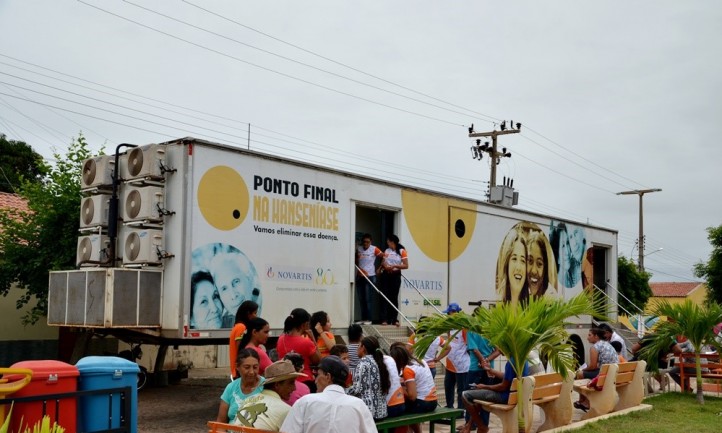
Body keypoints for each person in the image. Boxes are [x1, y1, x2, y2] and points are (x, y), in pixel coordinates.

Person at [280, 356, 378, 433]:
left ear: (328, 376)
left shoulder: (305, 402)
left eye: (318, 375)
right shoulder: (359, 405)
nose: (315, 380)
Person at [460, 358, 529, 433]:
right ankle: (469, 426)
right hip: (514, 396)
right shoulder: (522, 359)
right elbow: (507, 377)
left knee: (465, 395)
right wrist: (491, 370)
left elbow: (502, 387)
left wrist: (484, 387)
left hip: (504, 397)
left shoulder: (511, 362)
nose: (499, 352)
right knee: (479, 397)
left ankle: (481, 427)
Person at [233, 360, 305, 431]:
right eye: (291, 383)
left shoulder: (248, 400)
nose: (294, 388)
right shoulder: (285, 410)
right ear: (277, 385)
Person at [390, 343, 437, 433]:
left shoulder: (408, 369)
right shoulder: (420, 361)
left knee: (398, 408)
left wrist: (400, 387)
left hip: (423, 404)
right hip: (433, 402)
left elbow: (412, 397)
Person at [210, 248, 262, 328]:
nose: (233, 295)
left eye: (236, 281)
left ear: (250, 279)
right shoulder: (223, 324)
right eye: (224, 289)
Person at [433, 303, 469, 410]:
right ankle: (449, 406)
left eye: (450, 313)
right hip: (450, 363)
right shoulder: (450, 328)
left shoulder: (464, 328)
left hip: (461, 365)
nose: (449, 315)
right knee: (448, 386)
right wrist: (439, 358)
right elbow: (449, 345)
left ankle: (461, 410)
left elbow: (468, 345)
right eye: (448, 313)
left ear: (457, 313)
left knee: (461, 389)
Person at [276, 308, 321, 393]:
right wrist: (313, 339)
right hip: (305, 381)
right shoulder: (306, 342)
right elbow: (319, 361)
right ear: (304, 324)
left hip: (286, 380)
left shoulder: (281, 339)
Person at [216, 349, 265, 424]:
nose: (251, 372)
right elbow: (220, 422)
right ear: (237, 367)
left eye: (255, 367)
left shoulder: (266, 386)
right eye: (247, 367)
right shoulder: (231, 388)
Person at [347, 336, 390, 420]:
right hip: (382, 413)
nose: (357, 349)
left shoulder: (363, 363)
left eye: (358, 346)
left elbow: (356, 389)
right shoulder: (378, 362)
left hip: (369, 413)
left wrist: (343, 391)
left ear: (363, 348)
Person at [575, 328, 617, 411]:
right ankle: (583, 401)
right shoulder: (607, 344)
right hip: (613, 374)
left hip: (604, 375)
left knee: (580, 374)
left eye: (589, 335)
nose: (587, 338)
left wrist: (582, 370)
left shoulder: (595, 347)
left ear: (596, 336)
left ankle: (584, 402)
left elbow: (593, 366)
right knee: (585, 373)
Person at [378, 234, 408, 326]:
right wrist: (382, 267)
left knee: (394, 297)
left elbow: (406, 265)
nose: (387, 243)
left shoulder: (402, 251)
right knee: (384, 296)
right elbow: (383, 262)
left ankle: (394, 319)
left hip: (395, 275)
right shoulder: (387, 250)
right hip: (386, 274)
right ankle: (384, 319)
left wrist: (394, 266)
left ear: (392, 242)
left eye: (388, 241)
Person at [496, 229, 529, 305]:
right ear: (507, 264)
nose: (518, 267)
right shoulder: (496, 304)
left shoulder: (532, 306)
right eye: (514, 259)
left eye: (523, 261)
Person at [356, 233, 383, 324]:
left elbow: (384, 256)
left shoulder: (374, 249)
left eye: (367, 242)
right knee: (361, 299)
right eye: (364, 242)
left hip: (370, 276)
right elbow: (355, 259)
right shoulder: (359, 248)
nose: (365, 244)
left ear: (371, 242)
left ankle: (369, 319)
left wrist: (380, 268)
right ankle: (363, 319)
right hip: (360, 276)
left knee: (368, 299)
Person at [228, 300, 259, 379]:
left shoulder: (238, 326)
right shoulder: (241, 327)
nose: (256, 316)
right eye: (255, 313)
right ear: (248, 314)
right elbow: (241, 350)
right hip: (239, 372)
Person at [526, 230, 557, 298]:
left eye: (539, 264)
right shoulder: (518, 293)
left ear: (544, 268)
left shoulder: (552, 298)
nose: (534, 271)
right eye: (530, 261)